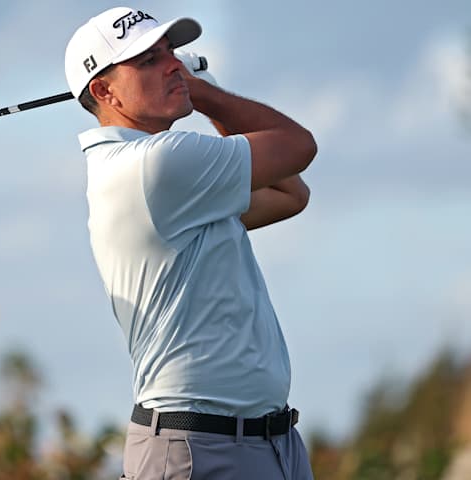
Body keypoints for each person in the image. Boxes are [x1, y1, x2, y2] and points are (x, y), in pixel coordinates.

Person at [64, 7, 317, 480]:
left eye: (170, 52)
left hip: (268, 442)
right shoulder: (155, 166)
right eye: (146, 61)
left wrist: (195, 88)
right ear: (104, 91)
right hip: (202, 448)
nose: (172, 65)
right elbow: (297, 144)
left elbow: (290, 192)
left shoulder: (174, 179)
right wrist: (204, 93)